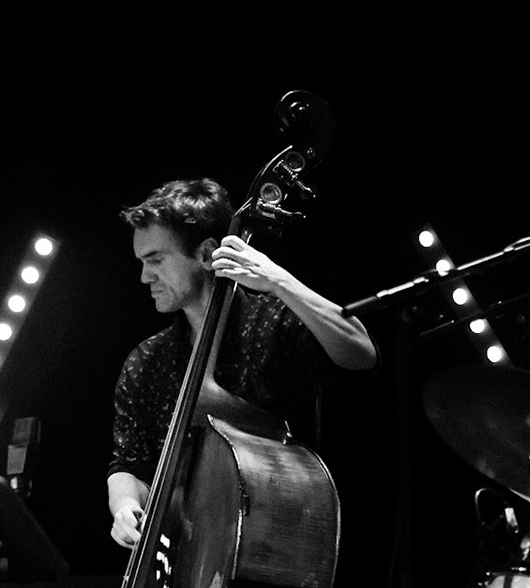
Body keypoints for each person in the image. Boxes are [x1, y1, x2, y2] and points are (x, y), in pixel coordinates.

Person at [106, 177, 377, 548]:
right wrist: (123, 504)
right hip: (188, 558)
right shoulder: (146, 361)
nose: (144, 276)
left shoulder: (271, 323)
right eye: (141, 261)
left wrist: (279, 281)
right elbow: (128, 463)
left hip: (281, 544)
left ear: (206, 254)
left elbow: (361, 353)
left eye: (155, 260)